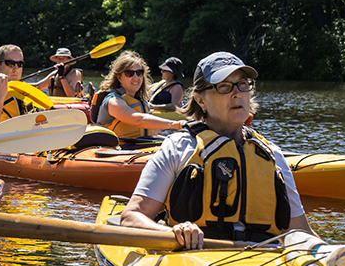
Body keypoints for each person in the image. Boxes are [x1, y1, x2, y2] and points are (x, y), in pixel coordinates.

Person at [119, 52, 315, 249]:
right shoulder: (178, 148)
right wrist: (172, 233)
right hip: (194, 260)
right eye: (224, 86)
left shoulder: (272, 155)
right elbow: (131, 217)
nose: (237, 93)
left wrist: (331, 255)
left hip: (262, 263)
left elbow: (300, 232)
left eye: (243, 84)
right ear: (200, 100)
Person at [94, 50, 186, 140]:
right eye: (129, 73)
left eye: (139, 73)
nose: (136, 78)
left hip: (140, 149)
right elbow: (138, 119)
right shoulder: (113, 100)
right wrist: (175, 124)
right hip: (116, 150)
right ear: (119, 77)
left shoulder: (143, 102)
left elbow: (153, 133)